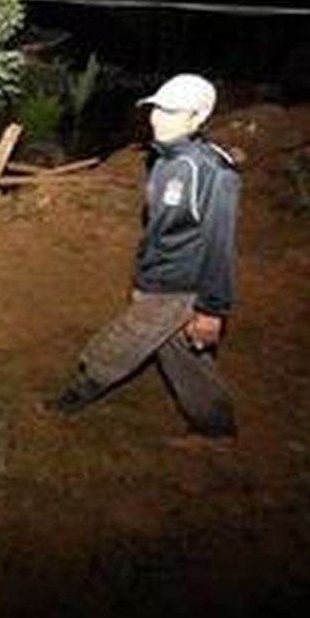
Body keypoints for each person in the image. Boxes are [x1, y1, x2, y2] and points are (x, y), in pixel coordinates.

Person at [44, 73, 241, 439]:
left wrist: (212, 309)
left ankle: (68, 404)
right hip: (158, 281)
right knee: (181, 356)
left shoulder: (213, 172)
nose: (157, 118)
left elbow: (219, 245)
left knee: (115, 346)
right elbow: (156, 231)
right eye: (156, 108)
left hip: (181, 284)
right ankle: (215, 428)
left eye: (171, 111)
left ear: (197, 118)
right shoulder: (163, 160)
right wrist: (141, 280)